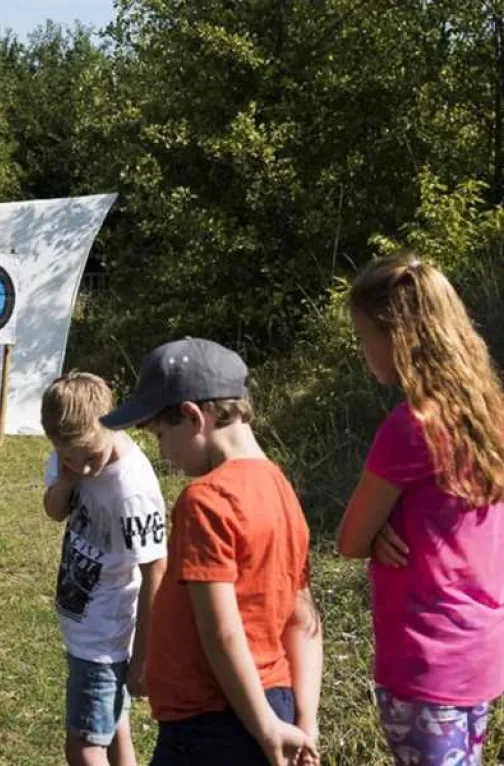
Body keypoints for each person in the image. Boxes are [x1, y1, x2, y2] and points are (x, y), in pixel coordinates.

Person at [101, 338, 322, 766]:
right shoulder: (281, 488)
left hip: (211, 726)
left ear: (192, 416)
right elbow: (305, 620)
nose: (163, 453)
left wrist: (263, 727)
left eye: (162, 436)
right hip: (273, 706)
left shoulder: (206, 499)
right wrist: (301, 722)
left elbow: (221, 631)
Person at [337, 253, 504, 765]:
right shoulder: (487, 412)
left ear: (400, 337)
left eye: (366, 336)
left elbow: (347, 540)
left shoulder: (411, 427)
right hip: (480, 648)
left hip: (425, 658)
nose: (364, 350)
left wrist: (377, 527)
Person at [40, 371, 168, 766]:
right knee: (114, 729)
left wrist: (144, 658)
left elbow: (156, 573)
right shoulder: (72, 456)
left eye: (90, 457)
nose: (82, 468)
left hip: (106, 638)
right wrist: (64, 481)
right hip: (86, 628)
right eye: (69, 458)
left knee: (83, 745)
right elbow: (54, 510)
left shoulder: (132, 491)